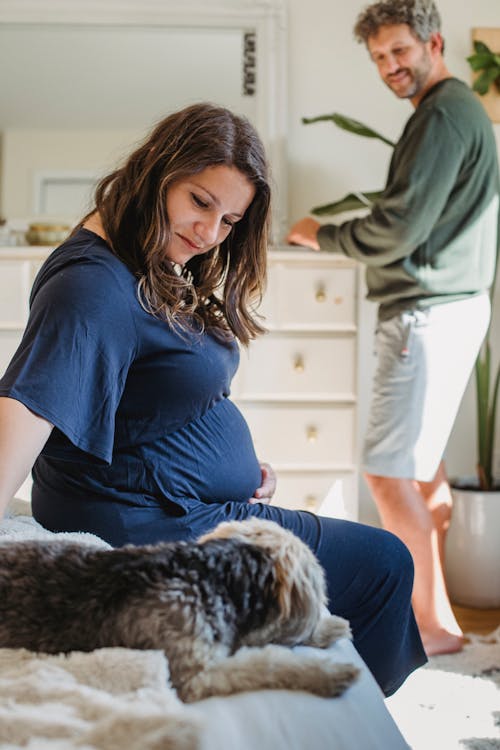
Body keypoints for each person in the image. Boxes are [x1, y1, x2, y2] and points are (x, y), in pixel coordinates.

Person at [0, 101, 426, 696]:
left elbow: (144, 403)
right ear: (157, 170)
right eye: (200, 202)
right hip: (151, 524)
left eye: (229, 220)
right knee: (385, 563)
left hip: (174, 500)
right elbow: (27, 405)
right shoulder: (90, 286)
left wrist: (234, 468)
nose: (208, 234)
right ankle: (339, 726)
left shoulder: (134, 250)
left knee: (369, 562)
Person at [287, 0, 499, 657]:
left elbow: (399, 228)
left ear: (433, 43)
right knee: (421, 472)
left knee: (387, 474)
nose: (390, 66)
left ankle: (430, 627)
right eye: (379, 57)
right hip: (448, 306)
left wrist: (322, 232)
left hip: (426, 312)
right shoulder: (453, 111)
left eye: (399, 51)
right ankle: (438, 618)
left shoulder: (442, 114)